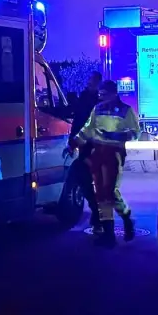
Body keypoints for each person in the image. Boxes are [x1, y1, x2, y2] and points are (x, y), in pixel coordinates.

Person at [68, 80, 140, 247]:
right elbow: (88, 129)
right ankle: (109, 234)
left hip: (114, 154)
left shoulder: (125, 111)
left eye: (104, 93)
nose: (100, 96)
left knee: (110, 191)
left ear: (114, 93)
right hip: (98, 154)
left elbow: (135, 132)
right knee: (100, 193)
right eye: (99, 94)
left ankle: (127, 219)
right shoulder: (97, 109)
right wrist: (74, 143)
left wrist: (118, 136)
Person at [62, 71, 103, 226]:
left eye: (93, 82)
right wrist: (71, 143)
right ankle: (98, 214)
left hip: (96, 149)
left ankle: (100, 218)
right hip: (87, 148)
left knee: (87, 179)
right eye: (90, 81)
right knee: (83, 179)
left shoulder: (98, 102)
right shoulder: (85, 98)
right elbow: (78, 122)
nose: (89, 83)